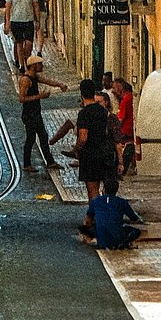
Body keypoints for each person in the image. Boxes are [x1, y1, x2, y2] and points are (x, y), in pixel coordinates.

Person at [68, 81, 120, 234]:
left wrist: (76, 149)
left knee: (93, 190)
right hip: (104, 152)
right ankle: (96, 218)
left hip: (90, 154)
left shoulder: (84, 113)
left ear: (82, 94)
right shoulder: (103, 111)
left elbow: (83, 137)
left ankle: (96, 220)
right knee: (103, 188)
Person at [18, 53, 66, 174]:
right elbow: (22, 98)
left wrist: (59, 84)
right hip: (29, 114)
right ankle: (27, 164)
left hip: (36, 113)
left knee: (43, 136)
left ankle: (50, 162)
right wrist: (40, 96)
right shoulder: (25, 80)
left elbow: (47, 81)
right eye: (40, 64)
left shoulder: (35, 77)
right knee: (31, 138)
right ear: (34, 66)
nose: (42, 66)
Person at [88, 174, 144, 249]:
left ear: (103, 189)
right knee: (136, 231)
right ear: (116, 190)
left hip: (101, 239)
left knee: (92, 229)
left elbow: (87, 221)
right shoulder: (122, 202)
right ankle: (125, 242)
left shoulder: (95, 201)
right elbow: (134, 218)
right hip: (117, 237)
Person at [4, 0, 40, 72]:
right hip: (15, 20)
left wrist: (37, 21)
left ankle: (26, 58)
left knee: (29, 44)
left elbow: (36, 6)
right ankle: (21, 65)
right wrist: (7, 22)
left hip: (28, 20)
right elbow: (8, 8)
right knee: (19, 43)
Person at [112, 77, 136, 175]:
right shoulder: (129, 98)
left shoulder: (125, 101)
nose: (113, 91)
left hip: (125, 132)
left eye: (114, 88)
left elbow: (120, 120)